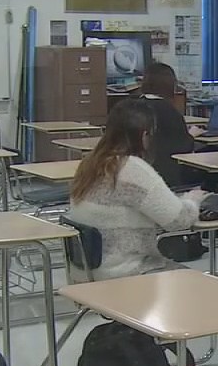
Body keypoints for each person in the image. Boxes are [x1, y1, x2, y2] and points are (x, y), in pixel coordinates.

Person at [67, 99, 208, 280]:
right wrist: (193, 200)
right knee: (200, 285)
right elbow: (179, 221)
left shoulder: (90, 163)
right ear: (144, 136)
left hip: (85, 272)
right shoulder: (132, 169)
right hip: (124, 274)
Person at [135, 62, 204, 188]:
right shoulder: (170, 112)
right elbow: (184, 148)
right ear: (171, 85)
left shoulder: (131, 105)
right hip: (168, 176)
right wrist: (191, 136)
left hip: (138, 173)